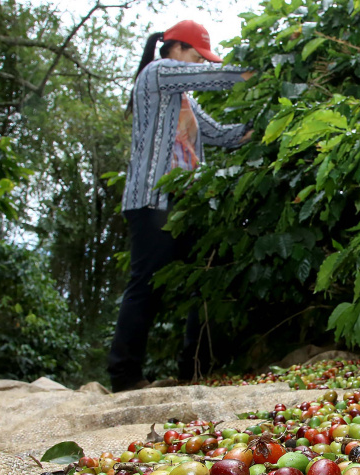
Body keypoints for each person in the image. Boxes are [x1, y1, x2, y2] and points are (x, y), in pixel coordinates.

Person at [108, 20, 255, 393]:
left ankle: (195, 369)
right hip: (153, 199)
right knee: (145, 284)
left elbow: (220, 134)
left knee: (202, 278)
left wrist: (261, 127)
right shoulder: (158, 73)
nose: (197, 64)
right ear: (177, 50)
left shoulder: (183, 99)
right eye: (195, 55)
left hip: (186, 202)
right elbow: (217, 76)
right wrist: (255, 73)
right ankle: (125, 376)